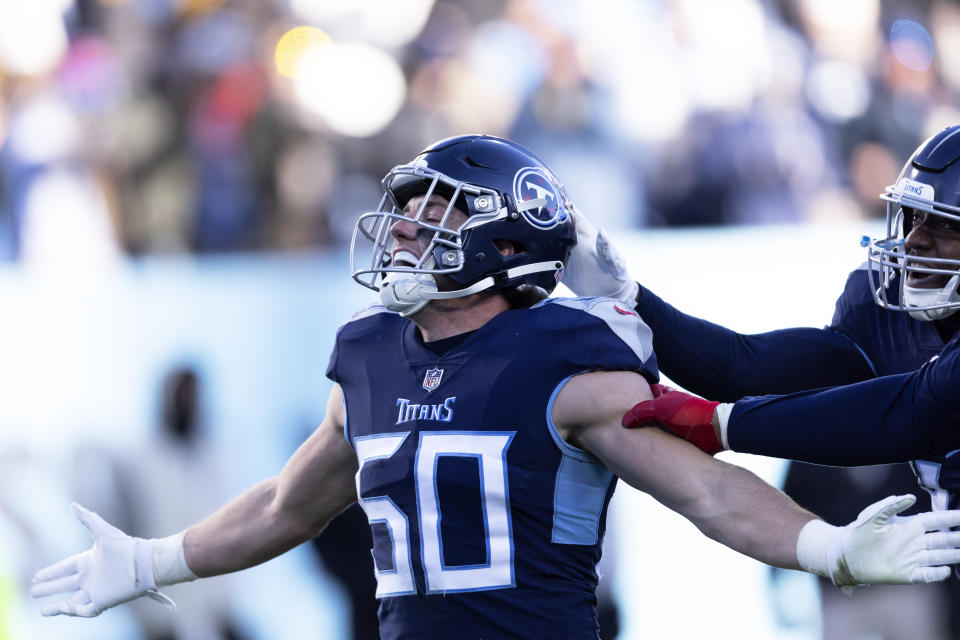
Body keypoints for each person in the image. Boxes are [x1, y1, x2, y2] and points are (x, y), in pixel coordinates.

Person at [30, 136, 960, 639]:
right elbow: (287, 505)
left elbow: (705, 490)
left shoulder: (566, 351)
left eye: (434, 212)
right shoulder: (365, 355)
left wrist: (823, 547)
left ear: (509, 242)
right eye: (402, 211)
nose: (401, 231)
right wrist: (156, 562)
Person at [565, 124, 960, 499]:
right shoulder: (884, 301)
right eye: (914, 217)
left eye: (943, 225)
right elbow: (749, 369)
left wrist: (723, 424)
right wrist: (626, 297)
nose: (914, 241)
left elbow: (907, 413)